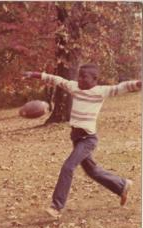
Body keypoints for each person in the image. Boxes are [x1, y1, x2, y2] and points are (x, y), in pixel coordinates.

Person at [23, 63, 142, 218]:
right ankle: (122, 186)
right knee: (92, 171)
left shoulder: (101, 91)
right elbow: (56, 79)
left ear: (94, 79)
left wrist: (139, 83)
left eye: (83, 77)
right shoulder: (74, 87)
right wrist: (33, 73)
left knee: (68, 167)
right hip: (76, 138)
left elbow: (121, 87)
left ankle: (56, 207)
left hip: (88, 139)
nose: (79, 79)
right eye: (79, 76)